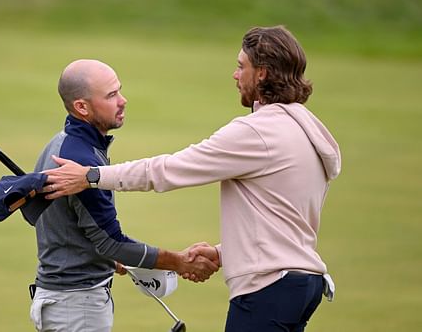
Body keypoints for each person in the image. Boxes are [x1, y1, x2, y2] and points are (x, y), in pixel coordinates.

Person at [42, 26, 341, 332]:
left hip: (268, 290)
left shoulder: (257, 132)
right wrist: (223, 253)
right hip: (304, 285)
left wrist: (91, 176)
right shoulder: (306, 131)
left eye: (241, 67)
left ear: (262, 74)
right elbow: (284, 219)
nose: (235, 76)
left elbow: (167, 170)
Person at [29, 59, 219, 332]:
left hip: (64, 301)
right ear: (82, 107)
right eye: (111, 95)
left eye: (119, 91)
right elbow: (112, 243)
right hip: (77, 308)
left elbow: (72, 226)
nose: (123, 100)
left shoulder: (61, 142)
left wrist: (102, 256)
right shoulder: (80, 160)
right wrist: (178, 261)